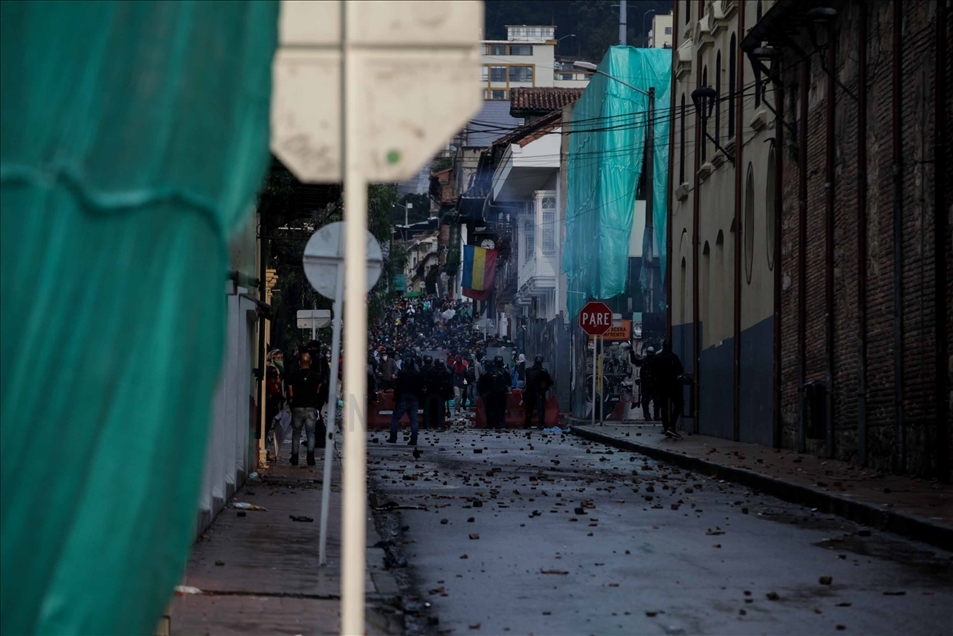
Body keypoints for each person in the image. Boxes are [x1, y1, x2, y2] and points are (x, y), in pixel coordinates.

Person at [287, 353, 322, 466]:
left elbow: (291, 393)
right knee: (311, 433)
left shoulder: (293, 376)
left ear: (299, 363)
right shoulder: (316, 377)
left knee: (296, 433)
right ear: (310, 362)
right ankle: (310, 457)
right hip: (311, 407)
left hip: (297, 406)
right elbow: (318, 391)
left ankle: (295, 457)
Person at [388, 355, 423, 446]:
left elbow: (397, 386)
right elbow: (420, 387)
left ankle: (393, 437)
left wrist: (396, 395)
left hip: (402, 398)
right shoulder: (417, 374)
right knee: (414, 421)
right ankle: (414, 439)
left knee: (395, 418)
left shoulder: (402, 374)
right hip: (414, 399)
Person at [653, 340, 685, 437]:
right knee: (678, 405)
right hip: (673, 385)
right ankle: (671, 426)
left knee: (664, 407)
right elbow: (681, 370)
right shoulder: (673, 357)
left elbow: (653, 371)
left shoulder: (657, 357)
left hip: (661, 386)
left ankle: (666, 428)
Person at [523, 355, 553, 429]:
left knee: (529, 409)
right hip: (539, 393)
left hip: (529, 392)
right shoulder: (543, 371)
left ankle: (527, 424)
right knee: (540, 409)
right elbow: (550, 382)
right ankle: (541, 424)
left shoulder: (528, 370)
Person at [631, 345, 660, 421]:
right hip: (647, 383)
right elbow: (634, 361)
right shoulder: (647, 360)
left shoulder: (655, 361)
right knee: (647, 400)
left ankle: (654, 415)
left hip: (653, 383)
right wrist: (631, 352)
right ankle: (648, 415)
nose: (649, 354)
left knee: (655, 400)